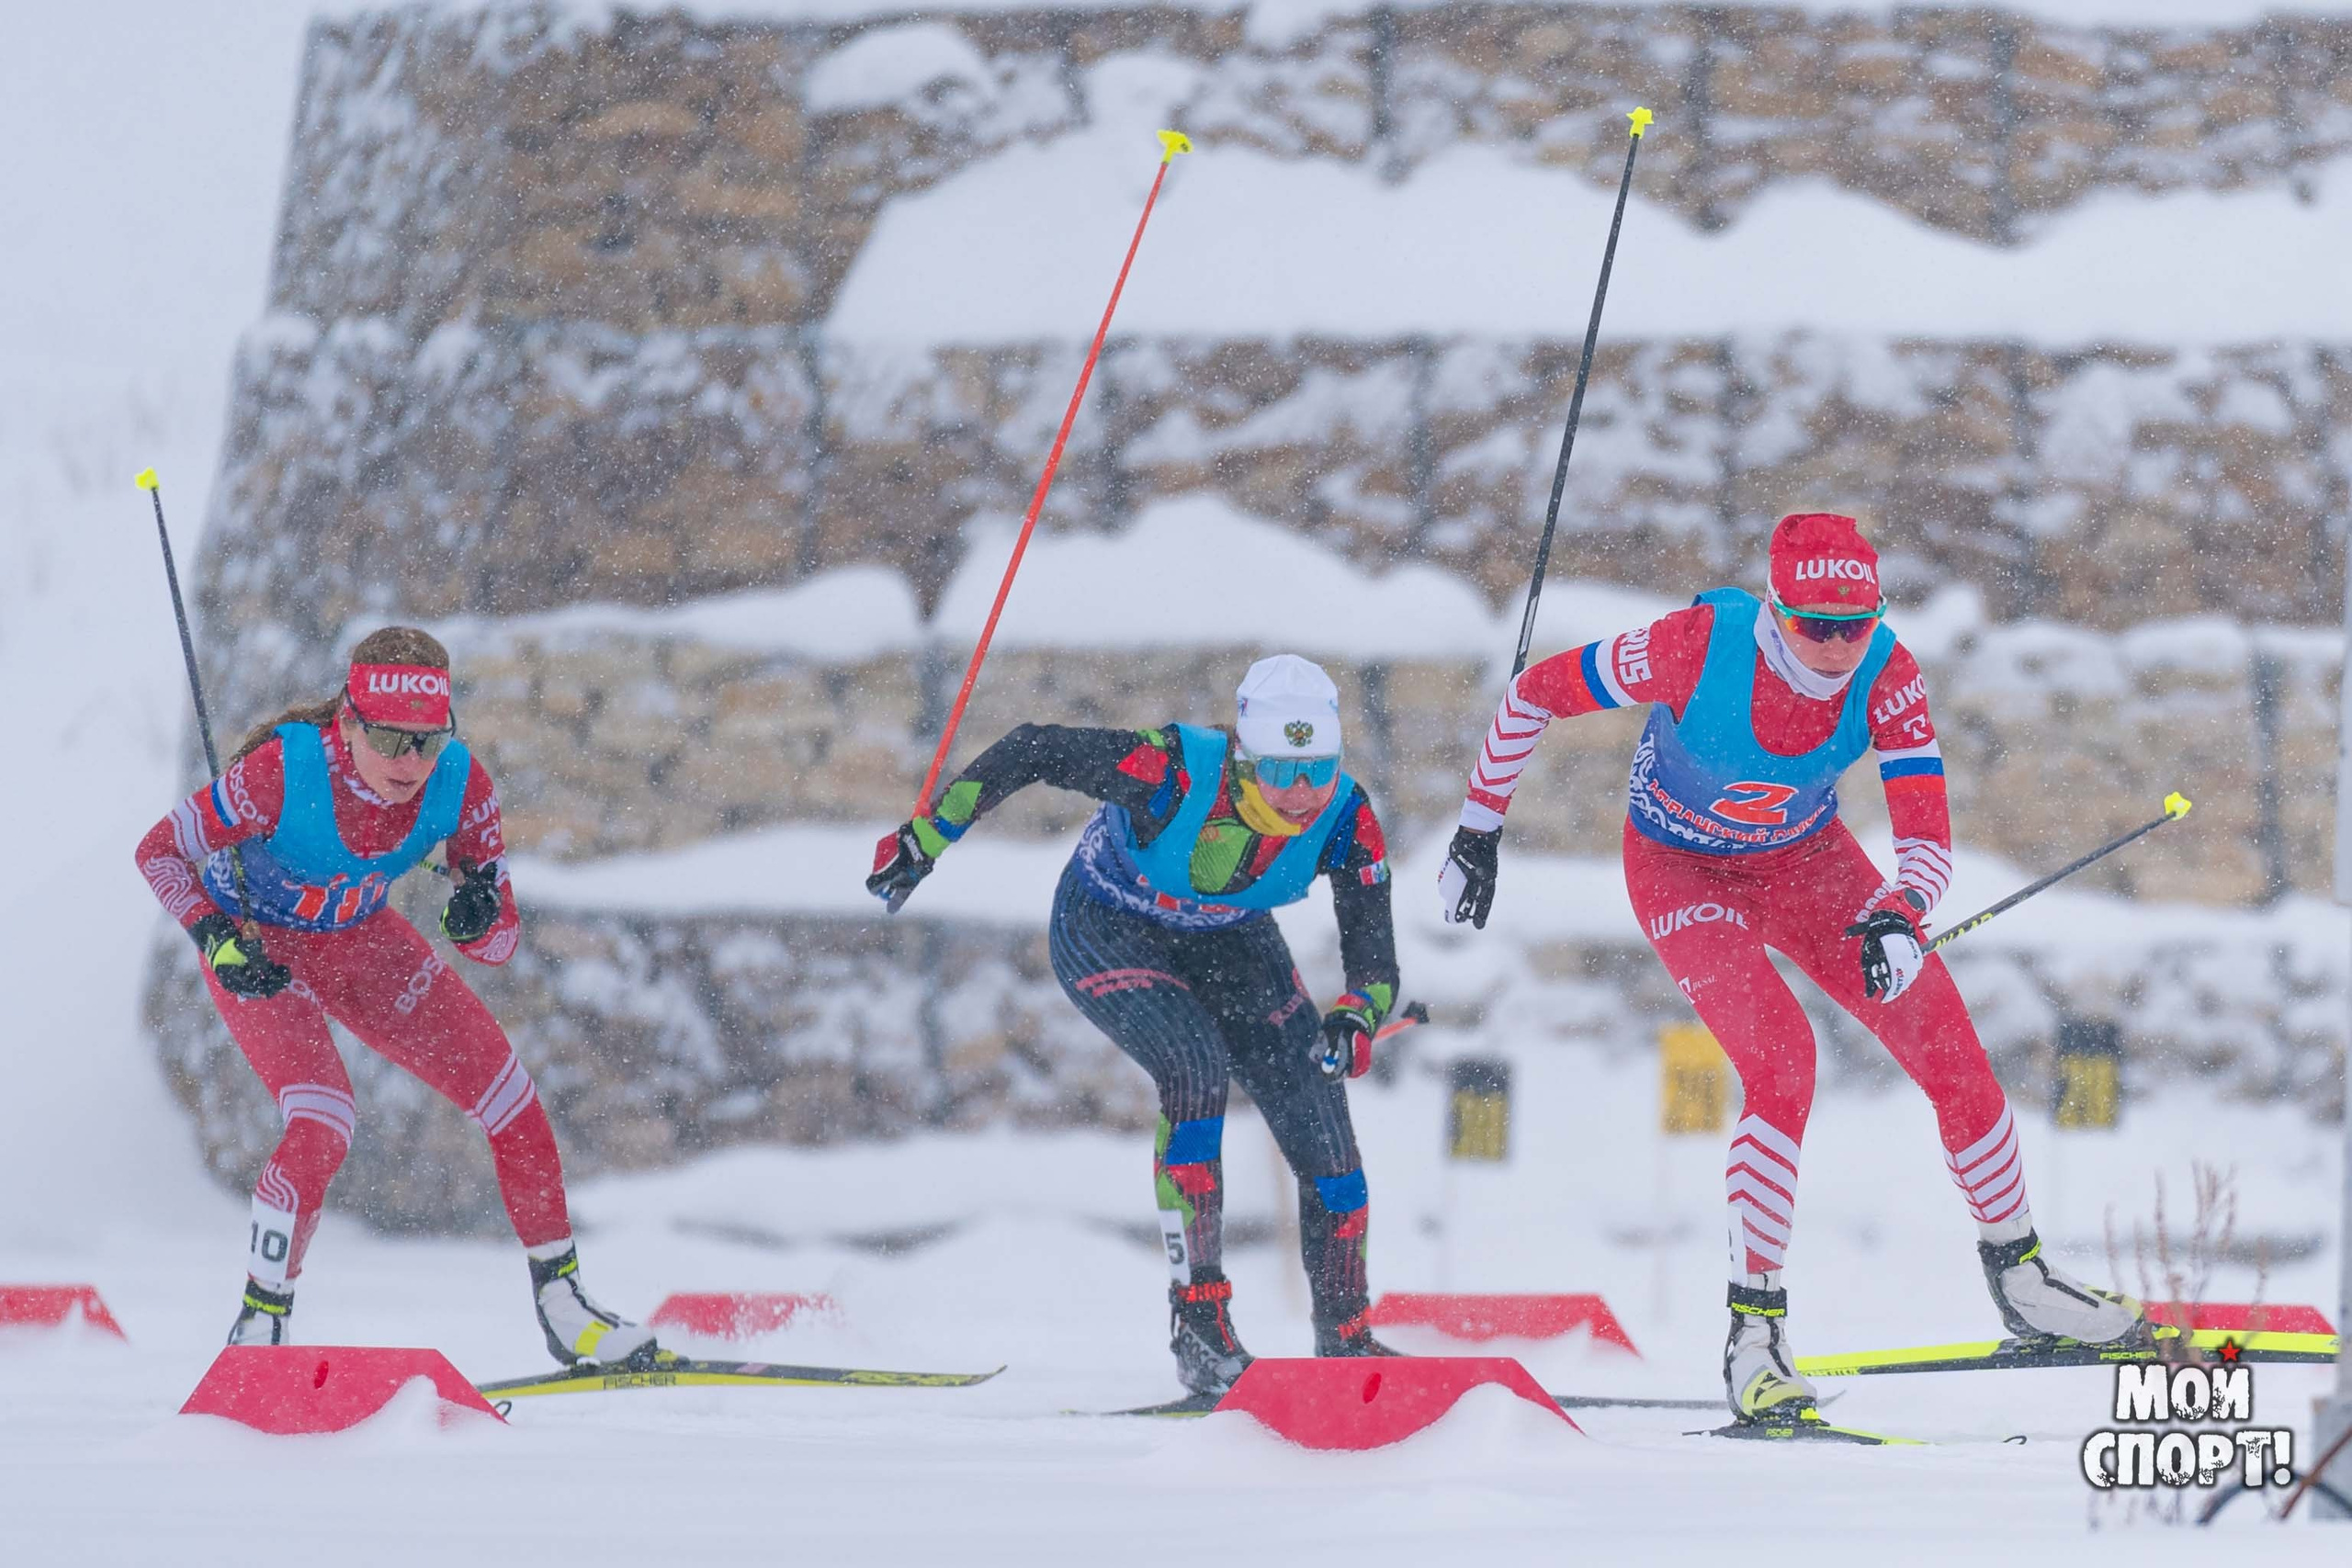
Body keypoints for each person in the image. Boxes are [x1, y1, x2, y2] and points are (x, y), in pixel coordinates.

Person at [1438, 513, 2144, 1423]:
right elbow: (1533, 693)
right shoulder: (1694, 646)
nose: (1840, 646)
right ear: (1775, 609)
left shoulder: (1886, 671)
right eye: (1818, 625)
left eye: (1858, 623)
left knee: (1947, 1040)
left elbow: (1926, 835)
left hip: (1808, 864)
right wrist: (1477, 830)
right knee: (1783, 1060)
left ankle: (2024, 1279)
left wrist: (1900, 913)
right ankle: (1755, 1336)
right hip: (1682, 871)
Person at [868, 654, 1402, 1394]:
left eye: (1319, 768)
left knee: (1322, 1117)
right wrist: (927, 837)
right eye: (1282, 771)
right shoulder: (1173, 772)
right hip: (1110, 926)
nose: (1303, 792)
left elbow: (1375, 958)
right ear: (1244, 759)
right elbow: (1033, 747)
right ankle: (1200, 1328)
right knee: (1194, 1063)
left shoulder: (1347, 815)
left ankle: (1345, 1336)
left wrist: (1356, 1015)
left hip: (1233, 940)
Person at [135, 626, 658, 1368]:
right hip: (261, 948)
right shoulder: (280, 772)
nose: (409, 762)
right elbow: (158, 851)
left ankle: (565, 1305)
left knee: (512, 1100)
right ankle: (259, 1326)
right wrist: (216, 937)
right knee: (323, 1119)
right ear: (348, 723)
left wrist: (478, 913)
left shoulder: (460, 784)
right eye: (388, 738)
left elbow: (500, 942)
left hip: (360, 941)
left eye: (427, 739)